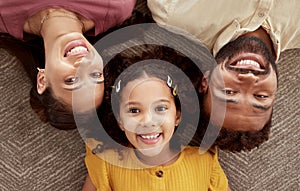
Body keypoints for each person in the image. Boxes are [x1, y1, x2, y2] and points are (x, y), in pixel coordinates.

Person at [147, 0, 300, 151]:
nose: (249, 79)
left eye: (229, 92)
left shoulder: (174, 11)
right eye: (260, 96)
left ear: (206, 81)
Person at [82, 44, 229, 190]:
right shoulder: (106, 163)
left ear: (177, 115)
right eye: (134, 110)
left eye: (160, 108)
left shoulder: (205, 163)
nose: (148, 121)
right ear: (120, 121)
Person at [0, 0, 136, 129]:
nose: (84, 64)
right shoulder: (116, 6)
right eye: (95, 74)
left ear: (42, 79)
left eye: (71, 80)